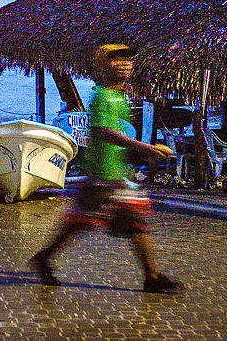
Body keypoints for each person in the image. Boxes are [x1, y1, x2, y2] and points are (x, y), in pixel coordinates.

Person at [30, 44, 184, 294]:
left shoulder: (117, 96)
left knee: (133, 224)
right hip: (103, 173)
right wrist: (144, 148)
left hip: (115, 173)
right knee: (83, 223)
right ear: (105, 66)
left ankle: (152, 276)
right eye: (116, 60)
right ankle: (45, 257)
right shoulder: (102, 96)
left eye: (127, 60)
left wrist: (138, 152)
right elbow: (104, 131)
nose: (123, 65)